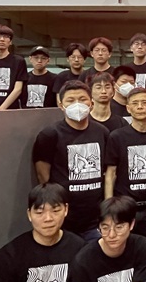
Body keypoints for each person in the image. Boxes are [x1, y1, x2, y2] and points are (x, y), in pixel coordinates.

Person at [33, 80, 110, 241]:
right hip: (65, 219)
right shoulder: (49, 135)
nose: (77, 104)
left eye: (82, 99)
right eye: (70, 100)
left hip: (95, 218)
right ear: (61, 105)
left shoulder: (102, 132)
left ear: (91, 103)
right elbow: (43, 177)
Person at [104, 87, 146, 237]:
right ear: (128, 108)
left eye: (144, 102)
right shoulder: (116, 137)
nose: (140, 107)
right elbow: (111, 174)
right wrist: (110, 206)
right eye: (135, 103)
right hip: (125, 206)